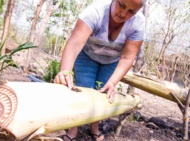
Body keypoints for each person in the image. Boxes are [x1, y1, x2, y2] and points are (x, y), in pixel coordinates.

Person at [54, 0, 146, 140]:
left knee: (103, 93)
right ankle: (73, 129)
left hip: (111, 61)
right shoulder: (95, 11)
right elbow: (75, 42)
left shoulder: (138, 24)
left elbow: (127, 58)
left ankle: (94, 127)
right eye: (121, 5)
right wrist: (65, 71)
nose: (123, 14)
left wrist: (113, 82)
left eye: (131, 12)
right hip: (87, 55)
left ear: (137, 11)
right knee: (83, 90)